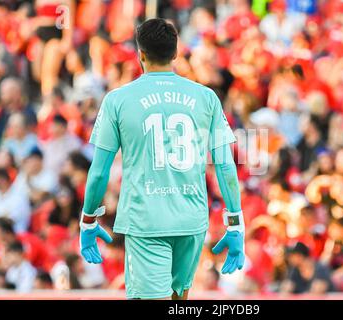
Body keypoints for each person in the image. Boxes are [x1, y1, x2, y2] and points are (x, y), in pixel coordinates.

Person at [79, 19, 244, 300]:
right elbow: (225, 166)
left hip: (146, 221)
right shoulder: (206, 97)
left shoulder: (118, 100)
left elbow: (98, 172)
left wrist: (88, 220)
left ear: (140, 54)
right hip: (191, 220)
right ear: (176, 53)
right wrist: (235, 223)